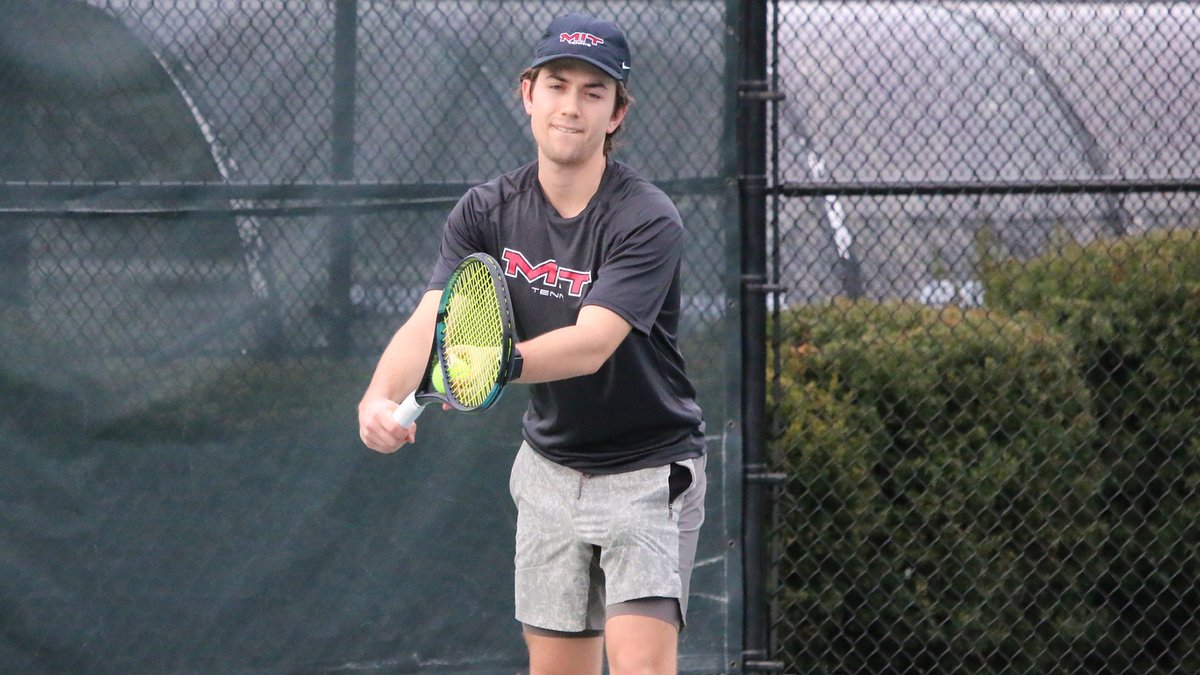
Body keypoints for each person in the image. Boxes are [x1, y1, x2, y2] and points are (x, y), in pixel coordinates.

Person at [357, 13, 706, 675]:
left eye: (592, 92)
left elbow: (590, 345)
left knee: (640, 667)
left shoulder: (645, 217)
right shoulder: (485, 211)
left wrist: (490, 366)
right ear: (528, 93)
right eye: (556, 85)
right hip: (548, 471)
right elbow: (432, 317)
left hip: (648, 470)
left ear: (616, 114)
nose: (570, 106)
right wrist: (379, 396)